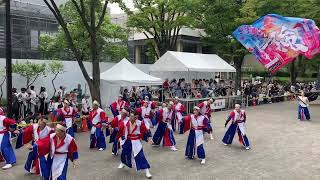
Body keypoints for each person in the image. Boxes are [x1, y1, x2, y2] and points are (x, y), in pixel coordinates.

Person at [117, 111, 153, 179]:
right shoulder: (125, 122)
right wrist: (121, 141)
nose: (130, 117)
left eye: (132, 116)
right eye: (130, 116)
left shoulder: (140, 123)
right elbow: (121, 132)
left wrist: (149, 138)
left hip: (136, 141)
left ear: (136, 117)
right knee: (124, 153)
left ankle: (147, 171)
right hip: (128, 140)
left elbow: (146, 131)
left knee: (141, 156)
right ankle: (123, 162)